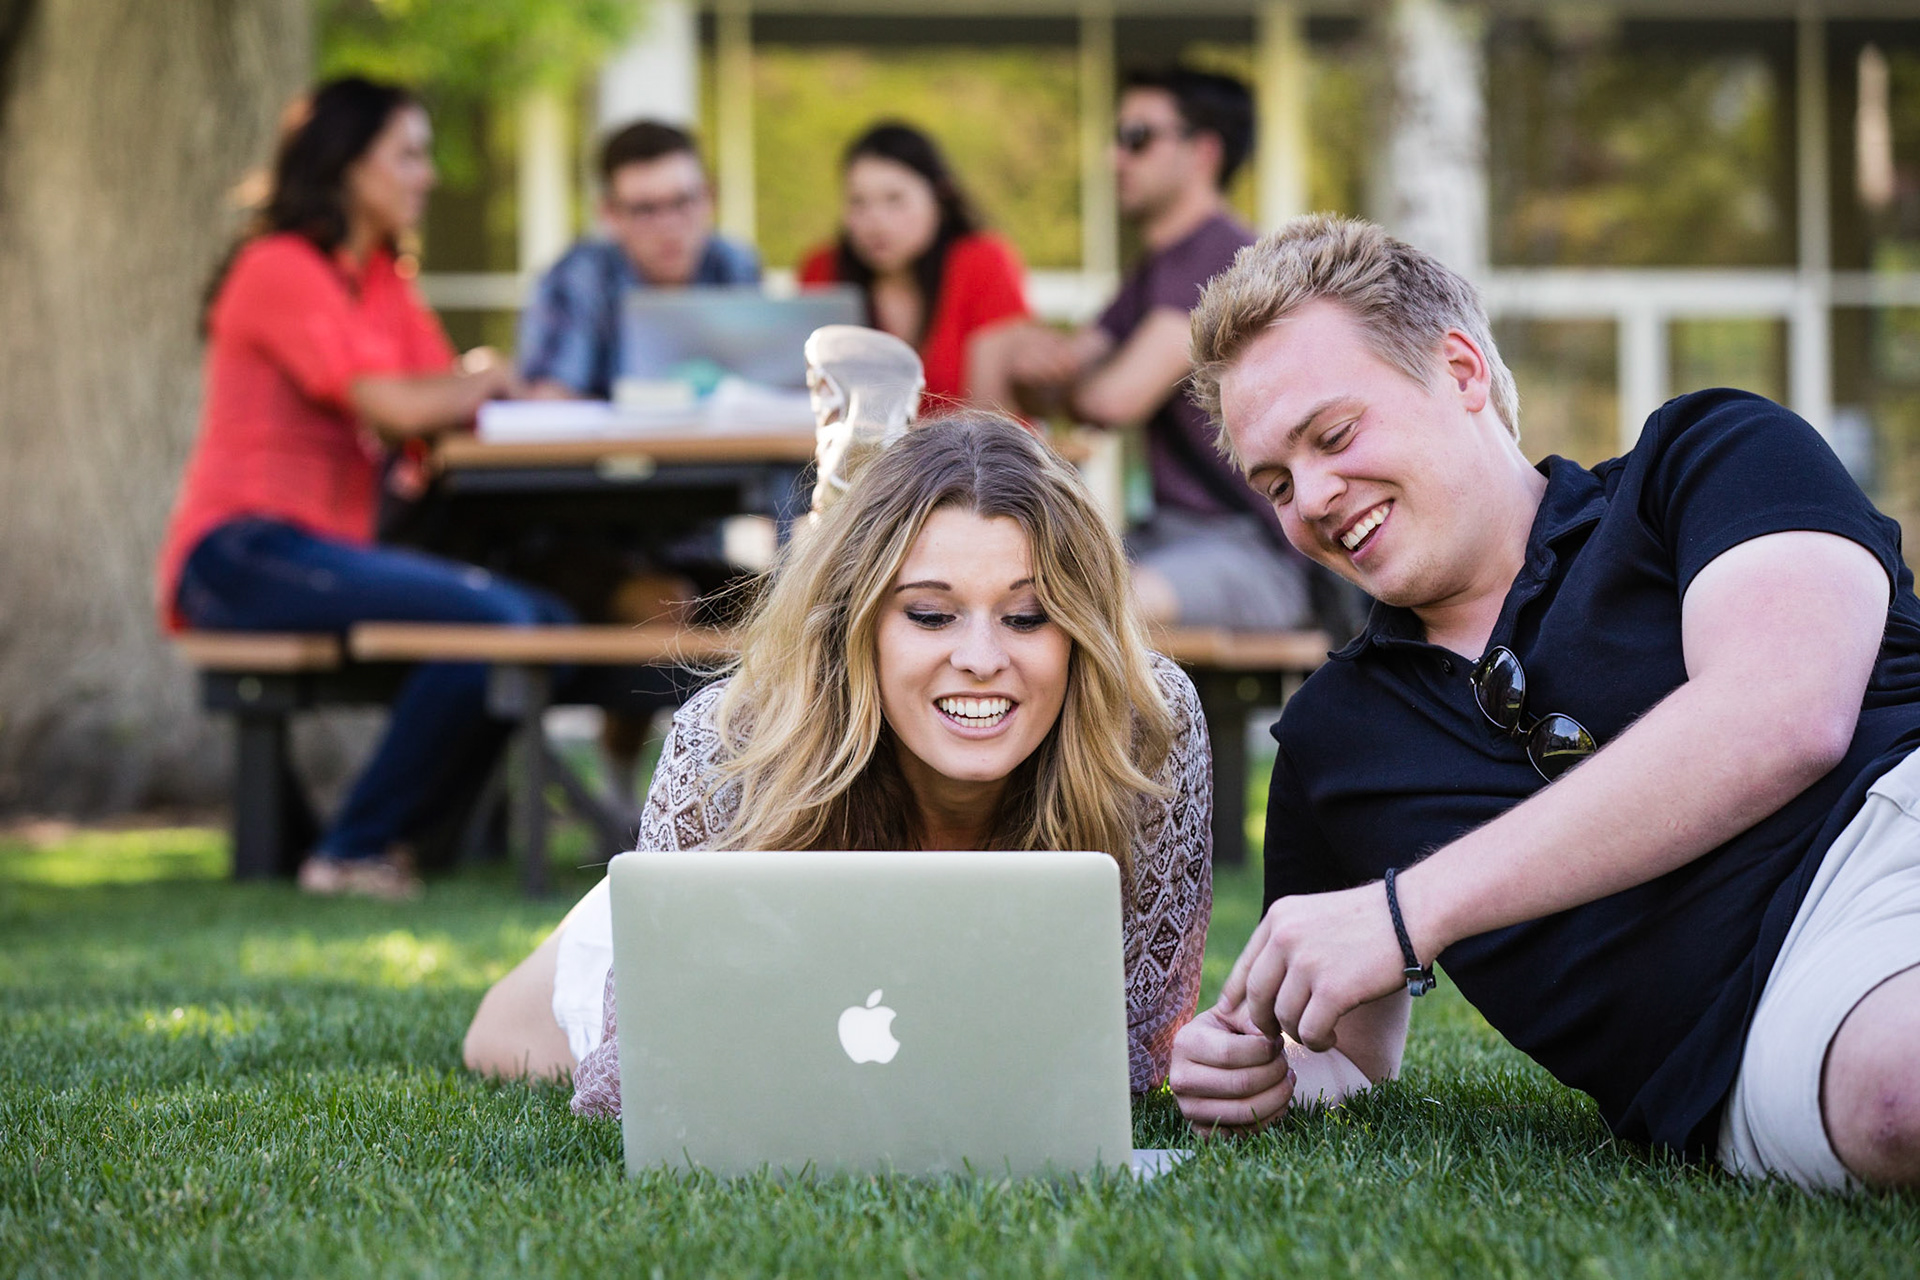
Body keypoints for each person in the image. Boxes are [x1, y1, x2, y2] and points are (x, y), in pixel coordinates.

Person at [1167, 213, 1920, 1193]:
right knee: (1897, 1090)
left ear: (1464, 371)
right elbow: (1346, 1050)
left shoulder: (1705, 457)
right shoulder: (1329, 738)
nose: (1311, 496)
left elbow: (1784, 714)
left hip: (1891, 827)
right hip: (1758, 1050)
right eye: (1275, 480)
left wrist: (1409, 910)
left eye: (1335, 433)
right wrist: (1251, 1067)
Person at [463, 413, 1214, 1106]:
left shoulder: (1148, 722)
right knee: (500, 1044)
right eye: (930, 614)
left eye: (1027, 617)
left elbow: (1136, 1049)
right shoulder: (734, 747)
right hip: (717, 892)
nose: (982, 658)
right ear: (859, 624)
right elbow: (645, 1082)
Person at [157, 77, 572, 900]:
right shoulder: (277, 268)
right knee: (499, 622)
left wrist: (507, 396)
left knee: (542, 621)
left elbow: (435, 407)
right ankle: (352, 849)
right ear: (347, 165)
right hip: (239, 554)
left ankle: (416, 843)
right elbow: (393, 402)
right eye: (408, 155)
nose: (426, 175)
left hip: (325, 551)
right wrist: (487, 378)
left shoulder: (383, 278)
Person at [997, 67, 1311, 634]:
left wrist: (1057, 375)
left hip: (1254, 554)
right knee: (1012, 584)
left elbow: (1115, 399)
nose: (1116, 157)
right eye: (1117, 138)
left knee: (1076, 607)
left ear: (1203, 152)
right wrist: (1036, 361)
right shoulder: (1154, 271)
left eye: (1138, 138)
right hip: (1165, 538)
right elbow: (1062, 373)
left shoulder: (1224, 259)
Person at [518, 120, 760, 400]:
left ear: (708, 198)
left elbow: (760, 390)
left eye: (683, 202)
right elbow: (548, 400)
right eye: (645, 210)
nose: (668, 226)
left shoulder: (734, 263)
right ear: (609, 214)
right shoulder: (579, 277)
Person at [797, 124, 1030, 413]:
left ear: (939, 197)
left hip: (967, 457)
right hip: (856, 458)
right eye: (858, 203)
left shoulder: (983, 260)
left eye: (894, 199)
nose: (875, 221)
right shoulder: (823, 269)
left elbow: (987, 413)